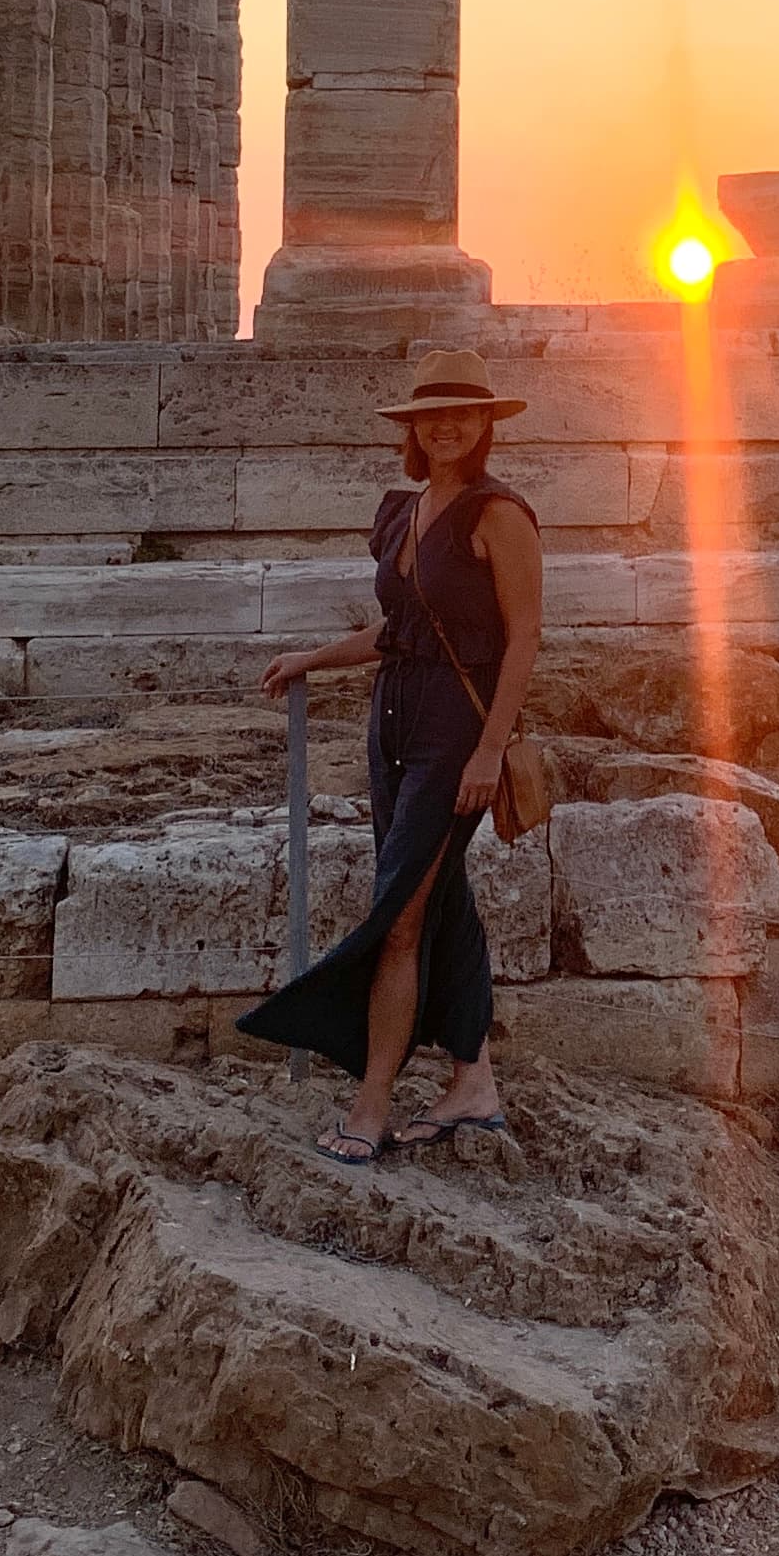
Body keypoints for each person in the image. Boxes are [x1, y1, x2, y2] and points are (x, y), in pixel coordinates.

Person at [235, 351, 543, 1161]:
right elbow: (398, 631)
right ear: (413, 428)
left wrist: (489, 748)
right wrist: (312, 659)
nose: (445, 425)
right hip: (394, 717)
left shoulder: (498, 514)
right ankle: (472, 1081)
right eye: (430, 414)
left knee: (399, 914)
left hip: (454, 729)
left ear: (484, 426)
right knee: (439, 895)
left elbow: (523, 641)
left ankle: (370, 1102)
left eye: (463, 414)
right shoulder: (406, 512)